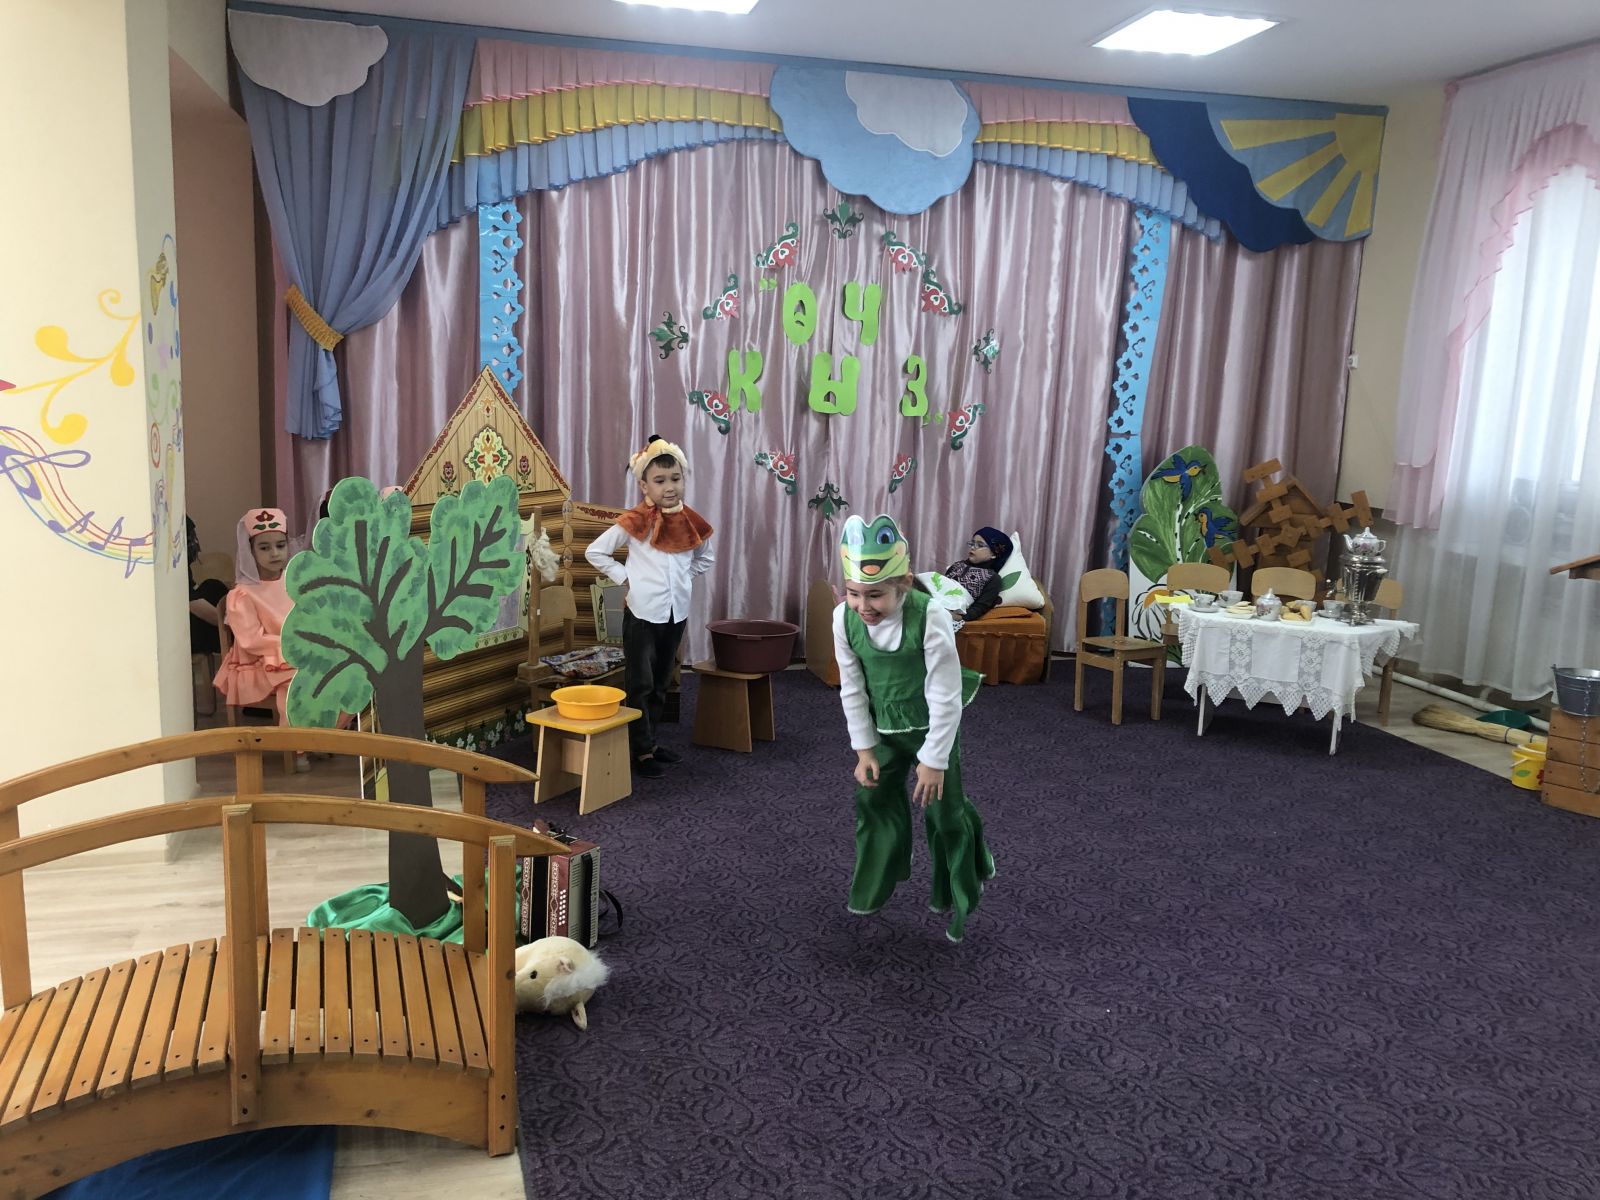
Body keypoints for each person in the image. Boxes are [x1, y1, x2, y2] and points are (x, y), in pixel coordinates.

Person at [832, 514, 995, 942]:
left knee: (944, 812)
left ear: (903, 584)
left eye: (875, 595)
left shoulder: (930, 615)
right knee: (871, 800)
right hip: (881, 729)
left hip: (930, 726)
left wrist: (934, 760)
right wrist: (864, 749)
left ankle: (960, 887)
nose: (863, 606)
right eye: (853, 593)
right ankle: (875, 885)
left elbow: (945, 695)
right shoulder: (843, 619)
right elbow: (852, 688)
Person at [585, 435, 714, 779]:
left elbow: (705, 557)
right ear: (644, 485)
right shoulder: (635, 520)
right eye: (660, 480)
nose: (669, 487)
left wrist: (684, 579)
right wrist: (625, 577)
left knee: (661, 682)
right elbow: (595, 551)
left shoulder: (690, 520)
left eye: (676, 478)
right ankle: (640, 751)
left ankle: (651, 743)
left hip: (676, 613)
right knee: (640, 683)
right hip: (642, 615)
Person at [212, 507, 307, 770]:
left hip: (295, 652)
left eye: (280, 545)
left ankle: (321, 737)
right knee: (294, 683)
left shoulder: (294, 583)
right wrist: (293, 646)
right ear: (250, 551)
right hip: (259, 661)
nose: (275, 553)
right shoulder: (243, 593)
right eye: (264, 548)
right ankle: (297, 747)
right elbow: (251, 640)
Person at [939, 527, 1014, 624]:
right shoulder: (957, 565)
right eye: (972, 543)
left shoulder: (992, 578)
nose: (973, 547)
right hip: (936, 602)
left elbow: (980, 607)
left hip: (951, 613)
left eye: (980, 545)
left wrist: (957, 617)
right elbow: (940, 587)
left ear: (994, 554)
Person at [186, 516, 229, 656]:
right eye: (190, 539)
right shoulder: (172, 571)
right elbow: (191, 603)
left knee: (213, 587)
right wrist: (232, 625)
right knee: (213, 589)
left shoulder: (183, 567)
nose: (194, 543)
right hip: (183, 632)